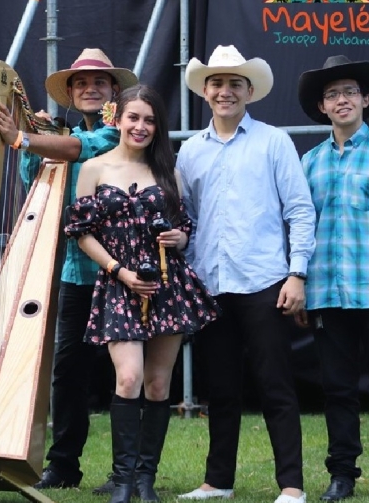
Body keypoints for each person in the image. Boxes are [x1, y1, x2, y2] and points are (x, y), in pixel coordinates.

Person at [0, 48, 138, 493]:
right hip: (75, 271)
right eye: (80, 83)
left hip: (118, 273)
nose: (90, 88)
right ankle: (63, 466)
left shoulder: (119, 132)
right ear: (71, 94)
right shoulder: (60, 133)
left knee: (124, 374)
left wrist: (24, 137)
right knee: (67, 370)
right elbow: (33, 174)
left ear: (114, 90)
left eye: (99, 82)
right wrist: (33, 135)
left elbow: (80, 149)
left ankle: (126, 473)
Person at [66, 84, 219, 503]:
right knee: (129, 376)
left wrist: (179, 238)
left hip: (166, 284)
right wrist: (120, 271)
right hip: (120, 284)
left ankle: (144, 480)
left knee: (156, 384)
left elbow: (187, 229)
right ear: (118, 119)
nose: (141, 126)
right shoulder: (94, 168)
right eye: (134, 117)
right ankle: (122, 480)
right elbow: (81, 234)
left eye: (150, 120)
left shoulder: (169, 171)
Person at [176, 45, 315, 503]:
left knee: (275, 384)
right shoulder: (189, 152)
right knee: (221, 388)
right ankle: (218, 481)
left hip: (265, 281)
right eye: (217, 83)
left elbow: (299, 210)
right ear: (205, 91)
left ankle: (291, 486)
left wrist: (296, 274)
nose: (225, 91)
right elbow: (188, 217)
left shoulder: (273, 141)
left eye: (235, 83)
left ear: (249, 91)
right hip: (211, 285)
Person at [296, 55, 369, 502]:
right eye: (332, 94)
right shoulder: (308, 162)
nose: (342, 99)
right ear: (323, 107)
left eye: (350, 91)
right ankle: (342, 475)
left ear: (366, 99)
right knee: (338, 390)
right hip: (327, 292)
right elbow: (297, 227)